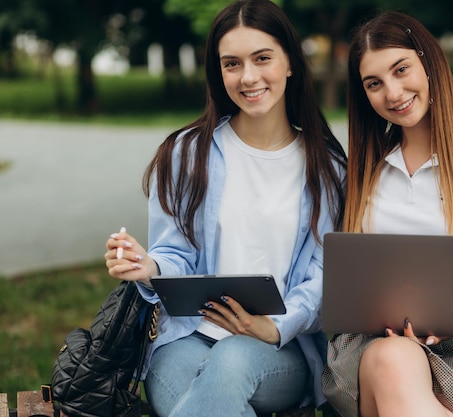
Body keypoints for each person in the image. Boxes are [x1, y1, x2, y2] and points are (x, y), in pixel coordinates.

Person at [104, 1, 346, 415]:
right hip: (187, 340)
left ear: (290, 62)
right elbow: (175, 254)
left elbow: (324, 276)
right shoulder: (186, 153)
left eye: (262, 58)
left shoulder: (327, 168)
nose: (248, 77)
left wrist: (272, 327)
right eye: (232, 64)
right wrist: (151, 268)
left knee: (231, 362)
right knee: (202, 393)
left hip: (278, 346)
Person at [321, 11, 453, 417]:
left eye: (401, 70)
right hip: (370, 345)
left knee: (399, 373)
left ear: (429, 62)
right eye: (374, 84)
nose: (393, 91)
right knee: (393, 359)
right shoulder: (368, 168)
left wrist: (449, 320)